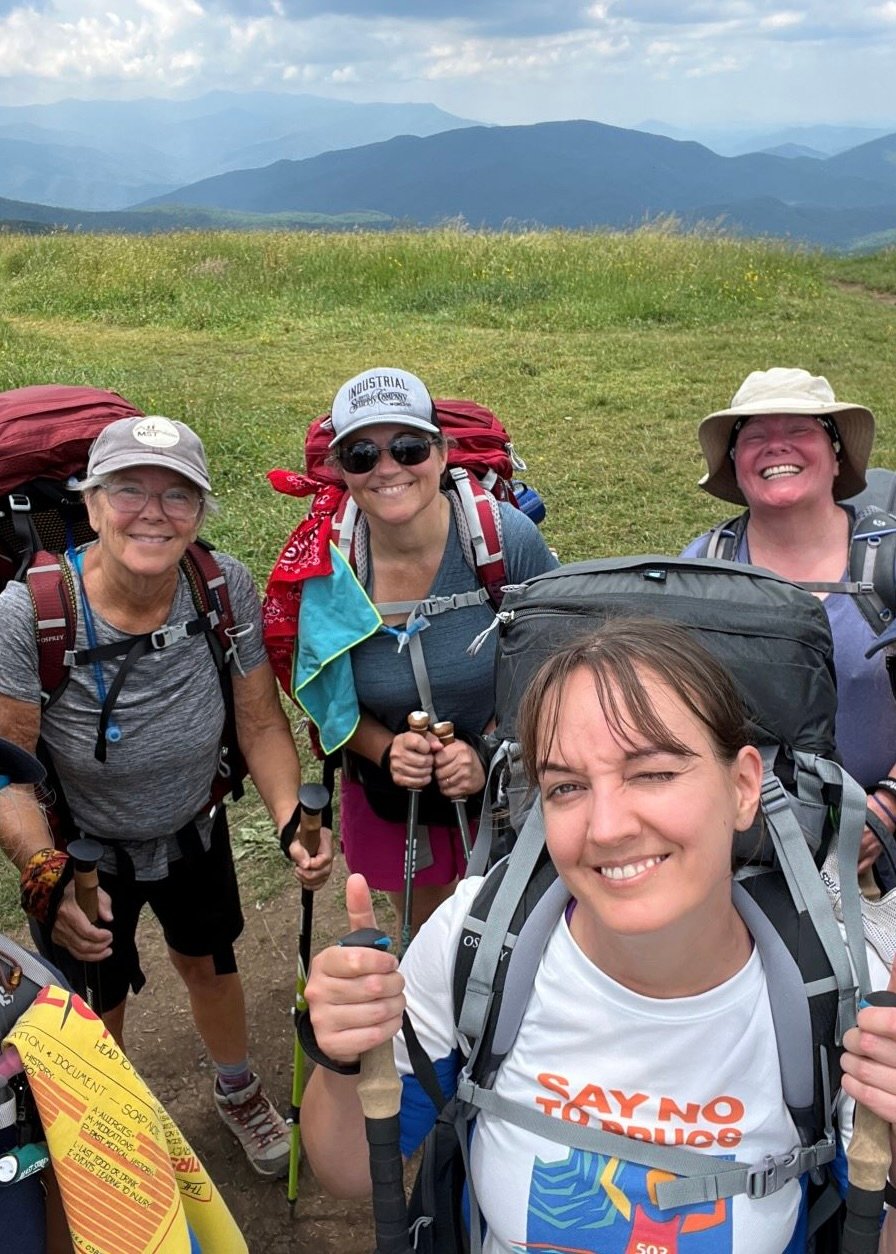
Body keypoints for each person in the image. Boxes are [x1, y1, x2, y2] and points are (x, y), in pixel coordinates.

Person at [300, 618, 896, 1252]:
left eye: (654, 773)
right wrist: (346, 1052)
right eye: (568, 787)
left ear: (744, 786)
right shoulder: (476, 943)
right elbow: (347, 1171)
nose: (607, 827)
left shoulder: (845, 998)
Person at [0, 414, 333, 1180]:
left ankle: (237, 1088)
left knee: (211, 963)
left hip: (194, 828)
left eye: (177, 495)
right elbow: (9, 769)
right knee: (92, 996)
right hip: (80, 851)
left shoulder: (221, 586)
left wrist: (290, 823)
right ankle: (110, 1121)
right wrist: (44, 869)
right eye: (129, 490)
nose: (153, 512)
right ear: (89, 503)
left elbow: (259, 722)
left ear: (200, 512)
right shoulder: (33, 613)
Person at [296, 366, 557, 933]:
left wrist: (489, 749)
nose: (388, 468)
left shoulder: (503, 539)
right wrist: (386, 750)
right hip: (389, 789)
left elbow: (556, 663)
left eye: (409, 447)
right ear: (341, 470)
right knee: (428, 928)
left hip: (509, 777)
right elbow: (324, 692)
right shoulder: (327, 561)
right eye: (362, 455)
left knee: (520, 921)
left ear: (441, 454)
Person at [683, 366, 896, 887]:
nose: (777, 447)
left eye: (800, 432)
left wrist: (886, 810)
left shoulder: (890, 560)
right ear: (735, 463)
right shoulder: (703, 570)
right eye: (755, 437)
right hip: (748, 856)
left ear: (837, 452)